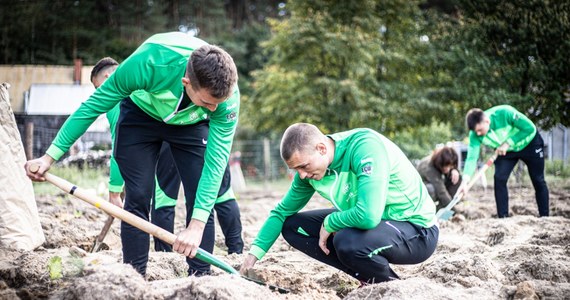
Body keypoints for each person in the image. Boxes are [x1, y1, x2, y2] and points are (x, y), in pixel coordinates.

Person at [25, 32, 240, 276]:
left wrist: (196, 225)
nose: (215, 109)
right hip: (141, 116)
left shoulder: (227, 98)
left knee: (199, 195)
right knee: (137, 197)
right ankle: (133, 277)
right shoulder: (148, 62)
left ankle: (201, 278)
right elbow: (93, 106)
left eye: (218, 103)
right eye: (208, 102)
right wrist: (49, 157)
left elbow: (215, 164)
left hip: (191, 124)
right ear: (186, 82)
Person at [240, 123, 439, 284]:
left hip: (417, 230)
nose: (301, 175)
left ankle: (389, 284)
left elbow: (368, 216)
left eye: (303, 166)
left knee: (346, 240)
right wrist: (251, 259)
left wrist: (331, 222)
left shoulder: (364, 147)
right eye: (296, 169)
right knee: (292, 227)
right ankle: (365, 276)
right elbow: (281, 212)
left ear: (321, 148)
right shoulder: (309, 174)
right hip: (378, 223)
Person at [90, 57, 243, 255]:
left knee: (165, 197)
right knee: (219, 194)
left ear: (108, 77)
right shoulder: (148, 77)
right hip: (196, 135)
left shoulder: (122, 95)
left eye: (97, 87)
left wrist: (114, 191)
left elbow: (119, 148)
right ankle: (236, 251)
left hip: (177, 140)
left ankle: (164, 254)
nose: (99, 93)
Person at [463, 105, 549, 218]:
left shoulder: (505, 113)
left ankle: (544, 216)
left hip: (529, 143)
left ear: (487, 121)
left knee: (538, 179)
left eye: (480, 130)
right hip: (506, 151)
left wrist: (508, 142)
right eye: (476, 131)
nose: (478, 134)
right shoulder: (475, 134)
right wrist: (465, 181)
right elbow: (471, 158)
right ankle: (503, 218)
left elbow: (530, 128)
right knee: (499, 178)